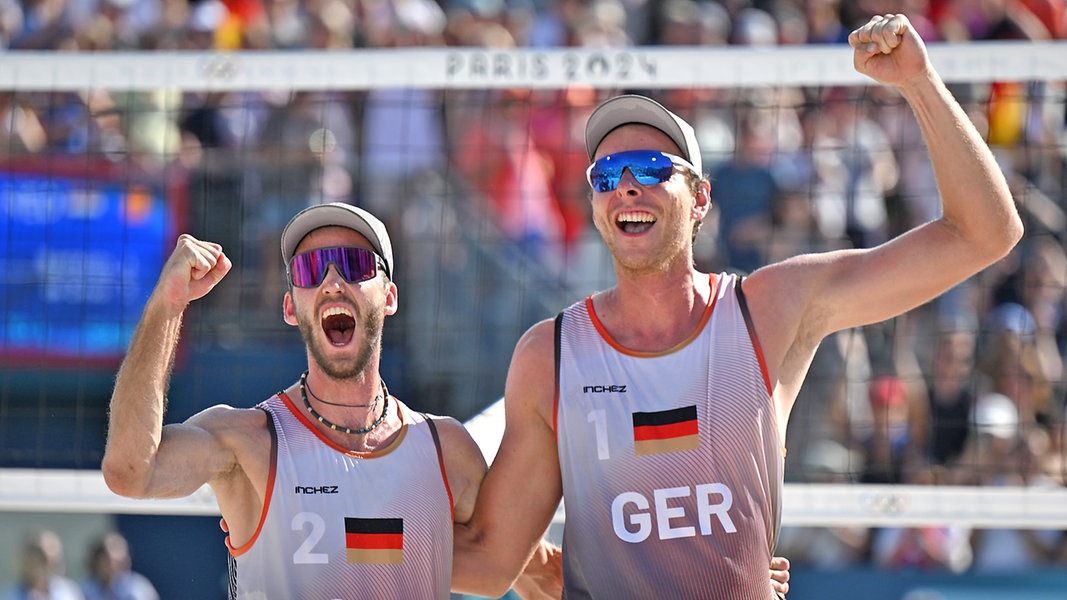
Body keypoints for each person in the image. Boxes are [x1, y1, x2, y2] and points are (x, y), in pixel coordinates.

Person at [452, 13, 1023, 599]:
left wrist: (918, 82)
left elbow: (985, 233)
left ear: (700, 197)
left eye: (651, 169)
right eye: (606, 174)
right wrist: (366, 498)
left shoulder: (769, 310)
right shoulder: (550, 353)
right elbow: (491, 564)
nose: (626, 185)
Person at [100, 201, 562, 598]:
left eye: (355, 265)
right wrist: (168, 305)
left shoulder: (447, 449)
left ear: (390, 297)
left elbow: (525, 570)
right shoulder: (248, 440)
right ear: (289, 306)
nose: (332, 281)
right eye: (308, 269)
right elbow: (129, 471)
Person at [2, 528, 83, 600]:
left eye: (57, 556)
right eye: (44, 558)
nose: (53, 562)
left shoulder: (69, 591)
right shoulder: (11, 595)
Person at [80, 532, 160, 600]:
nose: (122, 563)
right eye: (114, 560)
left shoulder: (138, 588)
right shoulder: (84, 590)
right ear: (99, 560)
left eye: (124, 558)